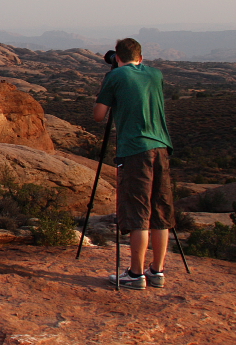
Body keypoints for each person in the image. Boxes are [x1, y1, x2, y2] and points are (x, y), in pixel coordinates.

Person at [93, 37, 173, 290]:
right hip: (160, 147)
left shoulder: (115, 77)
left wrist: (113, 82)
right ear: (141, 56)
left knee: (138, 211)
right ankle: (157, 271)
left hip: (135, 149)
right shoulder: (155, 74)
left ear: (117, 57)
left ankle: (135, 275)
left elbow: (98, 116)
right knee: (160, 210)